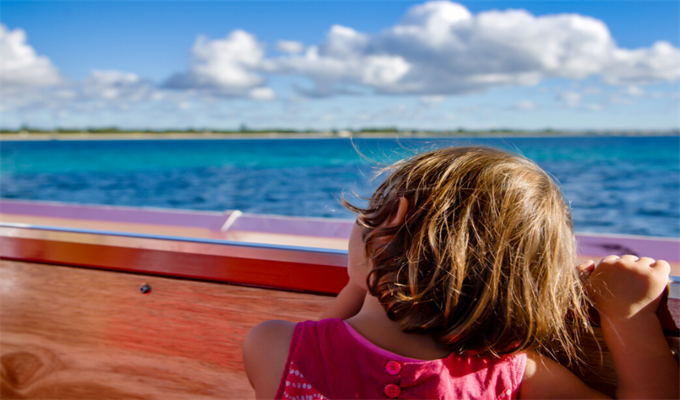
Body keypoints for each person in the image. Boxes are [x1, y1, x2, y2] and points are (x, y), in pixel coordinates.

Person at [243, 146, 680, 400]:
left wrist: (372, 270)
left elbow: (326, 337)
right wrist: (630, 316)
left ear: (380, 234)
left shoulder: (274, 347)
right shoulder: (508, 372)